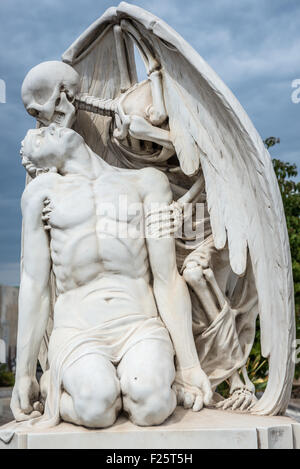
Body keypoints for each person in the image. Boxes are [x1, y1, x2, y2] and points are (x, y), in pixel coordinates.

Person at [11, 124, 212, 428]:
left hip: (138, 324)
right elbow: (35, 285)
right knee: (96, 407)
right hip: (79, 329)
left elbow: (166, 278)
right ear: (44, 167)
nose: (46, 129)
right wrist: (24, 374)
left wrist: (189, 366)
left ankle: (160, 386)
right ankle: (57, 388)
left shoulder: (147, 182)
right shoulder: (41, 194)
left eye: (44, 128)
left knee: (152, 406)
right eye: (36, 139)